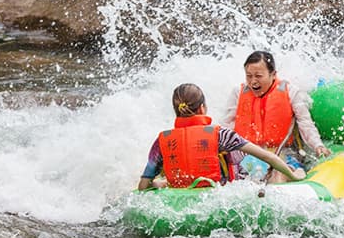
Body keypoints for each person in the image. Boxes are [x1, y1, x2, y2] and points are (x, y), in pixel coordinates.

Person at [138, 83, 304, 190]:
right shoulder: (221, 135)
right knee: (283, 171)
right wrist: (294, 176)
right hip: (221, 196)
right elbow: (269, 157)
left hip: (183, 198)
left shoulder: (161, 141)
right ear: (202, 108)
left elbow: (143, 186)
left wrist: (156, 183)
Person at [223, 51, 331, 183]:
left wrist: (317, 145)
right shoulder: (237, 93)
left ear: (273, 74)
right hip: (248, 154)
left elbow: (305, 123)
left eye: (258, 76)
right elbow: (227, 127)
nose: (253, 82)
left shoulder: (291, 92)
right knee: (245, 177)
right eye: (249, 76)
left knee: (278, 176)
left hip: (283, 153)